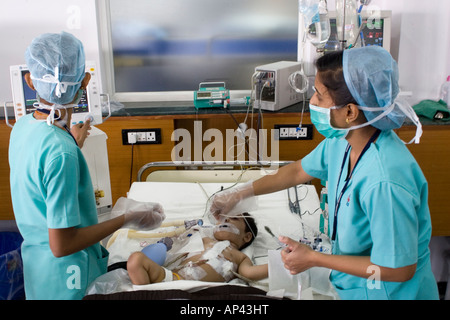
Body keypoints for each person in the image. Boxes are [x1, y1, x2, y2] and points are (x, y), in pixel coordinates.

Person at [209, 46, 439, 300]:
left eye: (319, 95)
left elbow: (398, 269)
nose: (312, 102)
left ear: (350, 111)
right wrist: (240, 193)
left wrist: (315, 258)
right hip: (354, 284)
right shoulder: (344, 140)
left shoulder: (385, 181)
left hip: (389, 291)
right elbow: (298, 171)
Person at [9, 32, 165, 300]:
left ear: (29, 79)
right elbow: (62, 245)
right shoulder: (61, 152)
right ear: (85, 80)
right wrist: (127, 218)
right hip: (69, 281)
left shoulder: (22, 127)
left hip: (40, 274)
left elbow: (42, 174)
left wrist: (71, 141)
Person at [127, 213, 268, 284]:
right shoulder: (204, 239)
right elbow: (178, 239)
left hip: (196, 291)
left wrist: (282, 262)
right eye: (224, 218)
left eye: (234, 218)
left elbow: (249, 273)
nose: (227, 220)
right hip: (172, 279)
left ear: (247, 237)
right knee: (136, 259)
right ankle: (147, 293)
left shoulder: (239, 257)